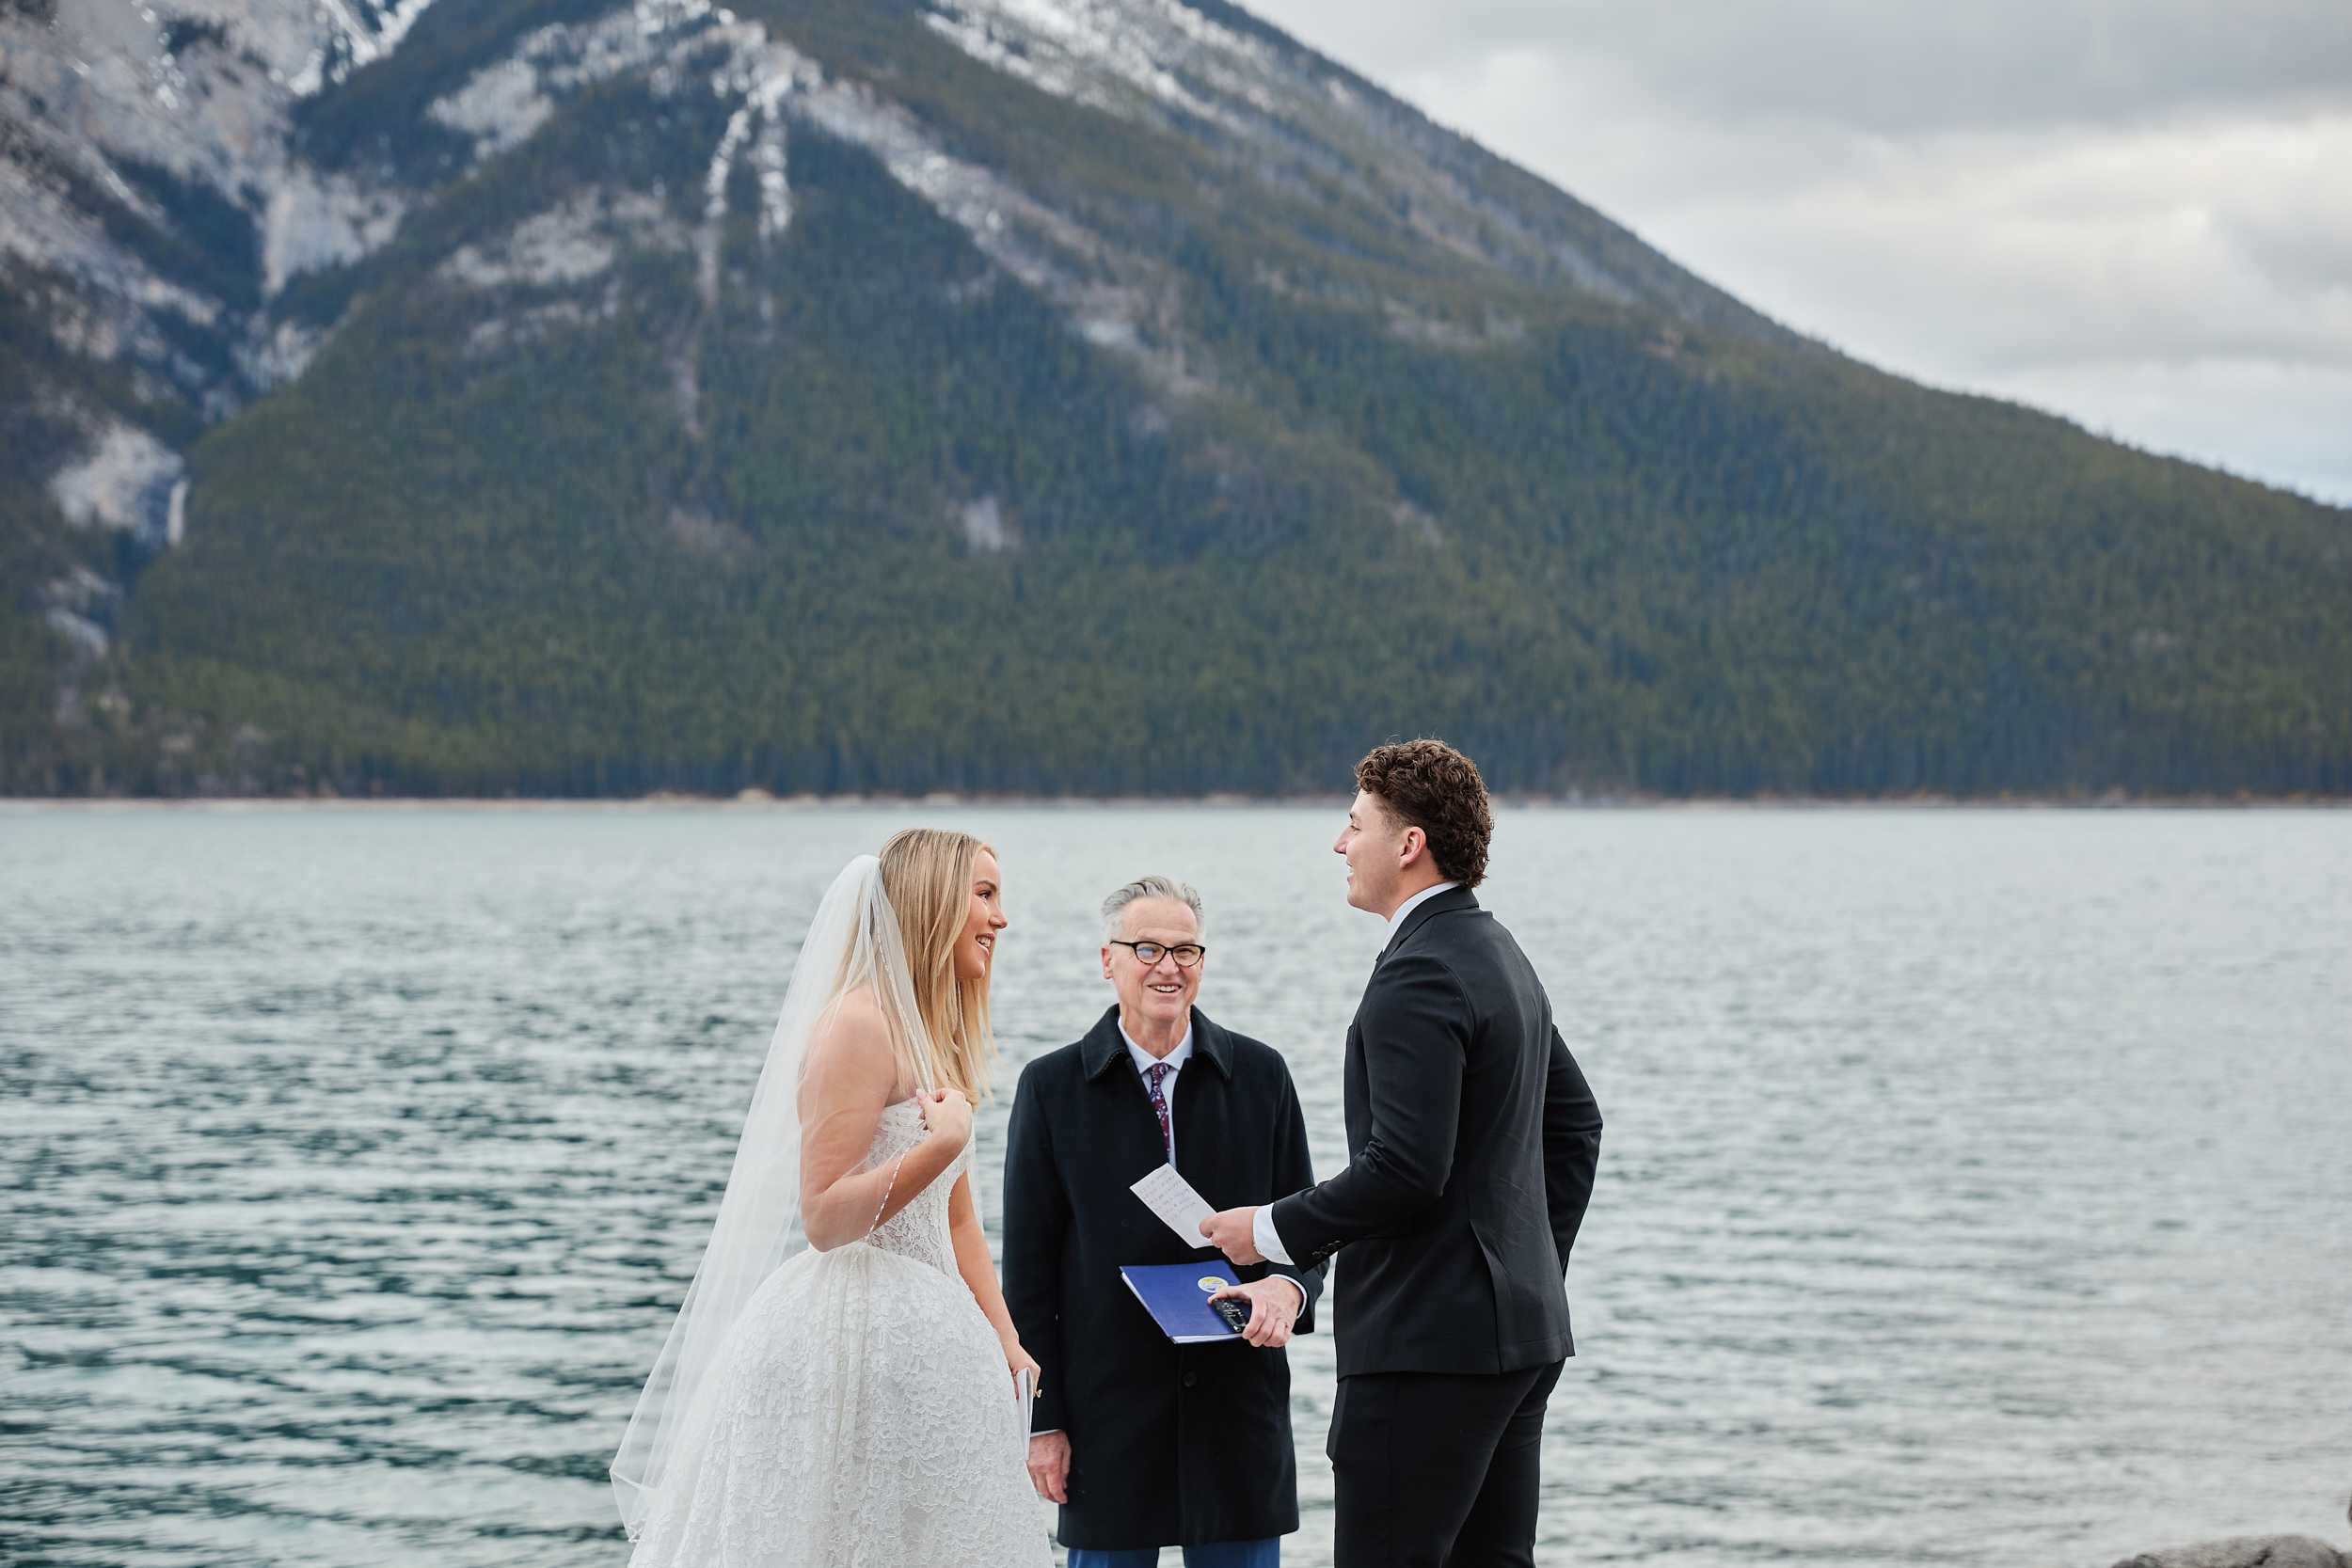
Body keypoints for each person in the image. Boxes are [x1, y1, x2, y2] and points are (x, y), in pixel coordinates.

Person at [1202, 740, 1605, 1568]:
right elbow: (1577, 1126)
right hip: (1521, 1342)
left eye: (1356, 825)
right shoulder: (1500, 952)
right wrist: (1525, 1271)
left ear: (1409, 843)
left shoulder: (1417, 973)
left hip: (1427, 1351)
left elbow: (1406, 1169)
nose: (1340, 843)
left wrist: (1267, 1229)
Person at [612, 829, 1050, 1568]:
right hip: (845, 1344)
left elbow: (958, 1218)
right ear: (933, 900)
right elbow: (822, 1215)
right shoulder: (858, 1021)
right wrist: (938, 1143)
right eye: (984, 894)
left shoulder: (931, 1032)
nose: (1000, 917)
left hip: (932, 1350)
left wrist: (1006, 1340)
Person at [1002, 876, 1326, 1568]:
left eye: (1185, 951)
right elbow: (1027, 1273)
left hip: (1237, 1404)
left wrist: (1289, 1289)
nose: (1168, 967)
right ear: (1108, 959)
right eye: (1146, 948)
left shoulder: (1263, 1075)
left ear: (1202, 962)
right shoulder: (1050, 1088)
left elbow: (1306, 1227)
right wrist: (1041, 1420)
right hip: (1106, 1410)